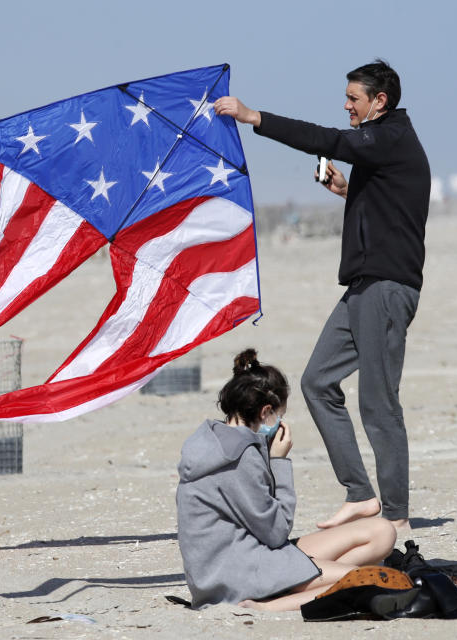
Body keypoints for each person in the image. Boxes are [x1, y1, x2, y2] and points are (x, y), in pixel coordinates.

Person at [214, 60, 430, 532]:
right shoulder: (382, 146)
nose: (346, 105)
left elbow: (331, 140)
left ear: (380, 102)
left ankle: (396, 514)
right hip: (362, 286)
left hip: (387, 287)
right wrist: (346, 190)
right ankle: (360, 493)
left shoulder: (392, 137)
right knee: (316, 383)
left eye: (354, 99)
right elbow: (390, 204)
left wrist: (256, 118)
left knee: (378, 402)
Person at [175, 349, 397, 610]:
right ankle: (268, 604)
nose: (279, 422)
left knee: (382, 533)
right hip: (237, 575)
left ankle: (301, 580)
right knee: (369, 580)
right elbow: (276, 532)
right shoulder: (238, 456)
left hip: (245, 557)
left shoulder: (216, 439)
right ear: (265, 411)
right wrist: (279, 462)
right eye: (278, 415)